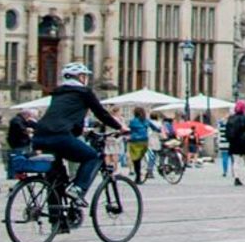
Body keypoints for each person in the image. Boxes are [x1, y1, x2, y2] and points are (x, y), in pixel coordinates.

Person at [31, 62, 122, 199]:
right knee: (92, 157)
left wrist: (81, 131)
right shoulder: (84, 92)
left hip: (39, 136)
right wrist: (120, 127)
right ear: (80, 77)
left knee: (55, 179)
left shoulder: (58, 93)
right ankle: (78, 188)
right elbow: (101, 113)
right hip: (59, 136)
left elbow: (65, 116)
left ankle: (57, 217)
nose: (86, 79)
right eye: (85, 76)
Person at [222, 102, 245, 186]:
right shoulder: (244, 118)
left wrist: (229, 139)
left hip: (233, 142)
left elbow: (226, 132)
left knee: (236, 161)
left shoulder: (230, 119)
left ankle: (236, 178)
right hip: (243, 142)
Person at [125, 107, 154, 180]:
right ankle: (144, 169)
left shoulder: (132, 121)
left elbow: (128, 130)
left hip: (134, 141)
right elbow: (155, 128)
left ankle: (138, 175)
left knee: (135, 159)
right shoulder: (146, 121)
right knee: (141, 157)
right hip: (144, 141)